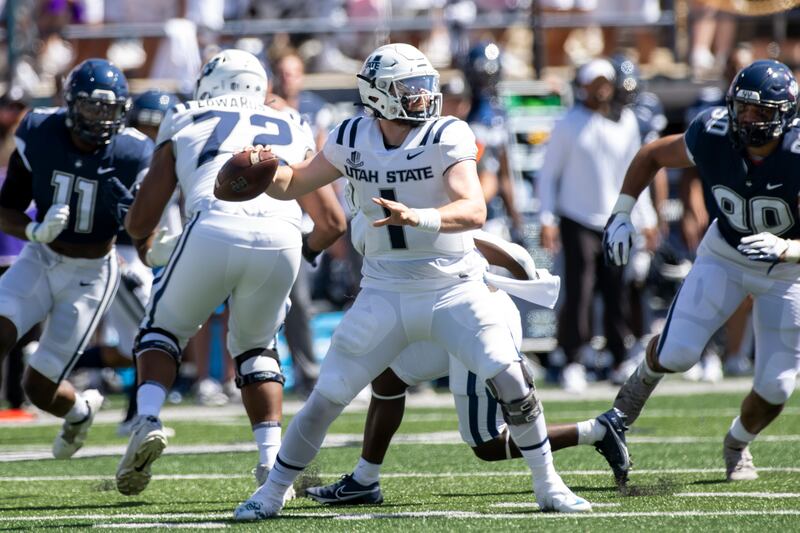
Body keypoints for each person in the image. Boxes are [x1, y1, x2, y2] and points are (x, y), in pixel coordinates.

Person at [232, 43, 592, 520]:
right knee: (326, 398)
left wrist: (418, 216)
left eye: (424, 85)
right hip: (384, 289)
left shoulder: (448, 133)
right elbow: (295, 184)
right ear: (377, 94)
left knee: (511, 377)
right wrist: (262, 168)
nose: (422, 96)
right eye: (409, 88)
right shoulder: (350, 135)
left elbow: (474, 208)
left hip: (453, 285)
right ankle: (273, 491)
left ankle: (549, 485)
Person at [115, 49, 346, 497]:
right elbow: (333, 223)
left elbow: (144, 214)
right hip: (282, 233)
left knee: (161, 330)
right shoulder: (292, 120)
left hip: (214, 223)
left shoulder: (185, 114)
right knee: (258, 347)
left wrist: (146, 243)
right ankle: (271, 462)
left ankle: (147, 419)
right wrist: (306, 251)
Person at [305, 225, 629, 504]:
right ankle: (365, 480)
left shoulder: (432, 223)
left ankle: (597, 431)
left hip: (476, 324)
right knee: (387, 376)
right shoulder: (385, 222)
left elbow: (516, 257)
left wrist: (507, 288)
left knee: (487, 444)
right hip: (436, 323)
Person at [602, 59, 800, 482]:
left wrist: (789, 248)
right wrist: (621, 212)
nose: (748, 119)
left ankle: (737, 444)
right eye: (743, 108)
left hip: (787, 272)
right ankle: (630, 398)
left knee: (777, 387)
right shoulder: (713, 131)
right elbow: (652, 154)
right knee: (677, 353)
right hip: (725, 253)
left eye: (761, 111)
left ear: (785, 114)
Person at [0, 59, 152, 458]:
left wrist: (154, 246)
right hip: (40, 256)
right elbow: (7, 208)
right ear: (71, 104)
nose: (100, 119)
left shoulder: (133, 151)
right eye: (91, 108)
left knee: (39, 388)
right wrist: (34, 231)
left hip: (90, 274)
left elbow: (143, 227)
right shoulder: (39, 132)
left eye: (108, 110)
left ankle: (79, 412)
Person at [538, 58, 657, 393]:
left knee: (617, 289)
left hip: (616, 218)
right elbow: (548, 175)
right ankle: (573, 359)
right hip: (577, 218)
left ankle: (619, 359)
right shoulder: (568, 124)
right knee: (580, 290)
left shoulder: (627, 122)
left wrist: (646, 217)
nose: (601, 89)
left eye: (605, 82)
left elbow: (636, 173)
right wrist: (547, 217)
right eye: (595, 83)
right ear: (583, 86)